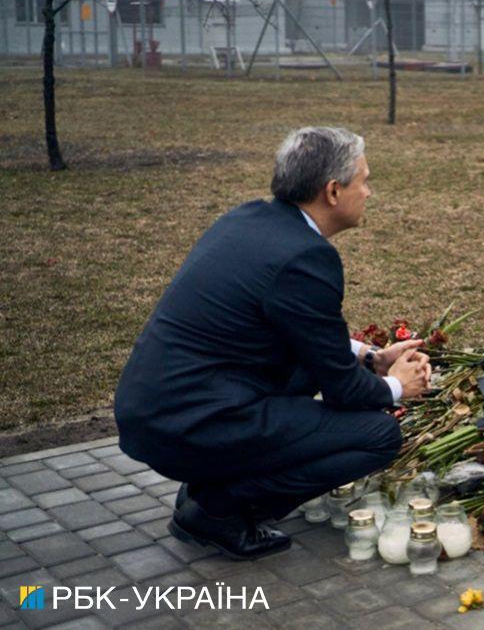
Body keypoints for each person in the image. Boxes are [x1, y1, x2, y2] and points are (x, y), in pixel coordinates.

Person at [114, 126, 430, 560]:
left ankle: (211, 483)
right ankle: (218, 508)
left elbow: (304, 331)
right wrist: (397, 386)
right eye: (364, 181)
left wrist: (369, 355)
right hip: (189, 424)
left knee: (303, 371)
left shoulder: (248, 219)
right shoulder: (306, 256)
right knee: (377, 435)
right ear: (333, 191)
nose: (369, 193)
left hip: (159, 409)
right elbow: (346, 392)